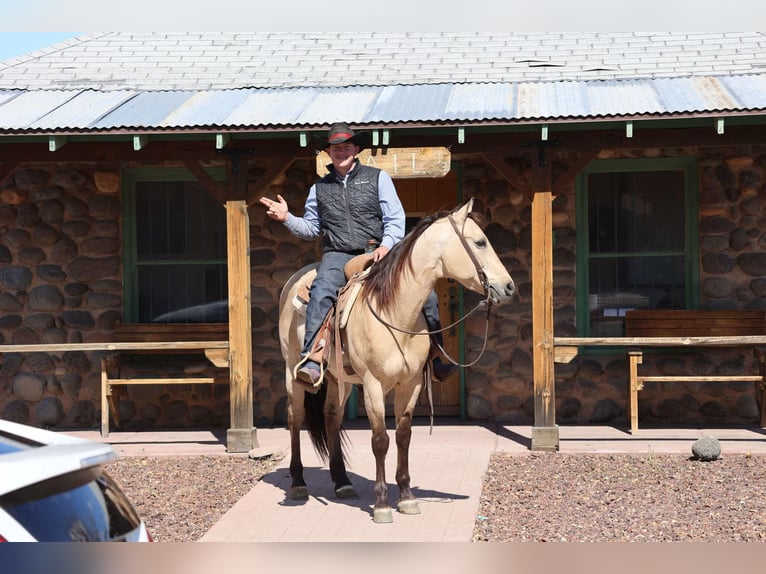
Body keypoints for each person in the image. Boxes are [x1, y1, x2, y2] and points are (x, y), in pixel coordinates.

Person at [259, 122, 456, 386]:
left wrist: (387, 246)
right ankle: (313, 358)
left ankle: (436, 354)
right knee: (321, 292)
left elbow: (395, 219)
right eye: (336, 148)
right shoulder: (319, 189)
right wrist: (287, 218)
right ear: (328, 152)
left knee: (424, 292)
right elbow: (311, 229)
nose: (341, 151)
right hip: (338, 254)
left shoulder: (378, 178)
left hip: (379, 250)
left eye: (346, 146)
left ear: (356, 149)